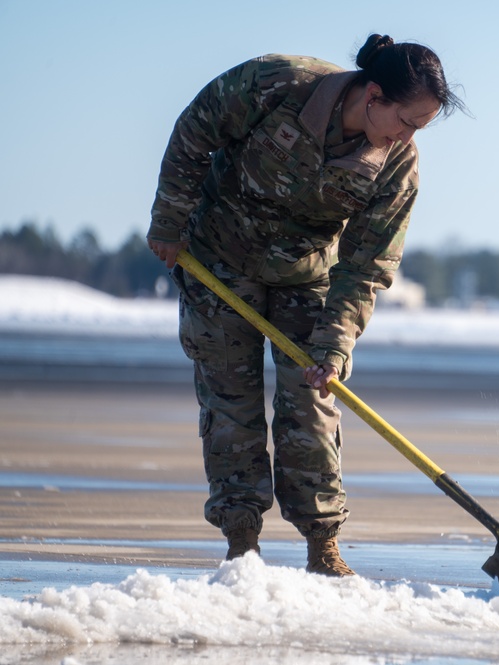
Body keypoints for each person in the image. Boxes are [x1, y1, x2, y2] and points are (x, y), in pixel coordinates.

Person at [146, 34, 463, 576]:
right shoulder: (279, 83)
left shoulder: (397, 164)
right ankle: (242, 543)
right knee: (229, 401)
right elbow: (196, 131)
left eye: (420, 128)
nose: (409, 137)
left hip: (307, 276)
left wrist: (333, 347)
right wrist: (169, 220)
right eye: (406, 121)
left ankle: (323, 546)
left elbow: (366, 266)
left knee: (312, 402)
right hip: (219, 255)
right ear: (373, 96)